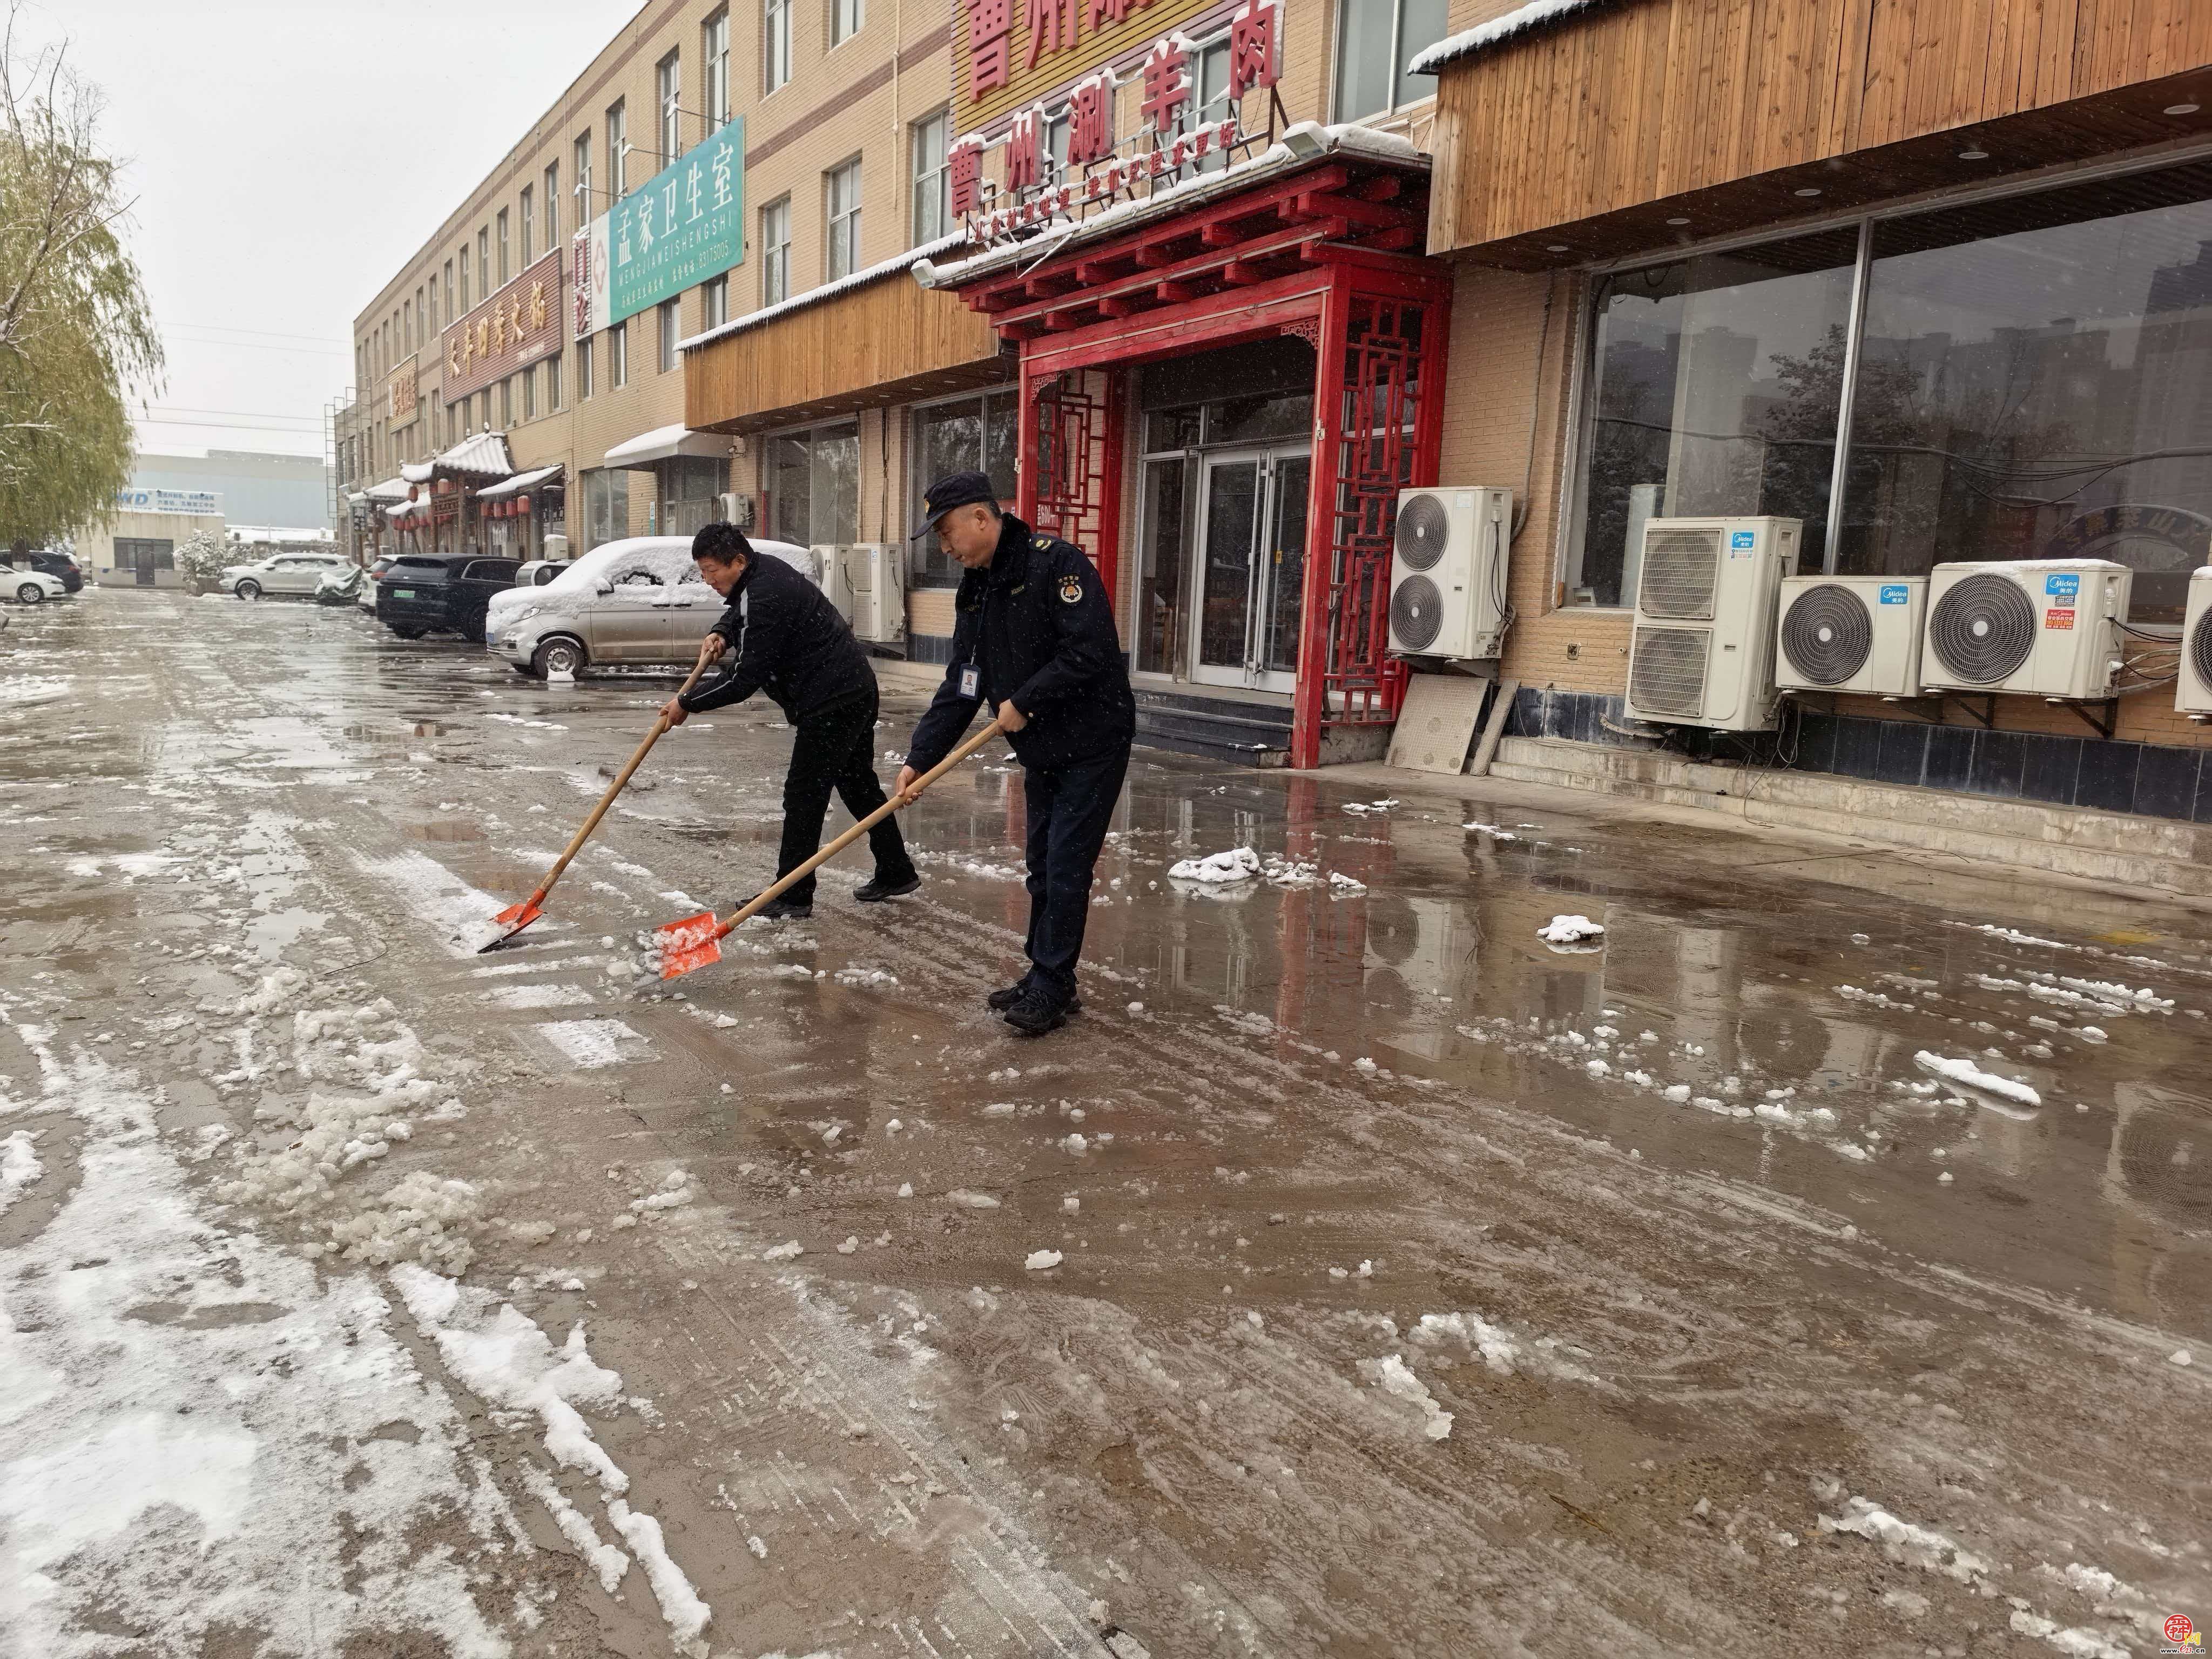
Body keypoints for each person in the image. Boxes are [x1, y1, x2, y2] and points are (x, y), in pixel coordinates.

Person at [898, 472, 1135, 1036]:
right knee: (1040, 865)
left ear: (982, 518)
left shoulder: (1055, 565)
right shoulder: (977, 586)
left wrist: (1025, 700)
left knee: (1065, 864)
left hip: (1092, 740)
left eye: (947, 532)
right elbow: (964, 680)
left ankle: (1052, 983)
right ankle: (1044, 973)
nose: (945, 547)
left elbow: (1091, 651)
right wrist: (922, 755)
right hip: (1041, 747)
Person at [660, 522, 918, 920]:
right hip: (852, 688)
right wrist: (722, 632)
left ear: (739, 561)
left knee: (804, 795)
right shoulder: (763, 573)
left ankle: (794, 894)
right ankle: (896, 870)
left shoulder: (764, 594)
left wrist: (687, 702)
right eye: (703, 572)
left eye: (713, 570)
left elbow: (745, 679)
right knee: (858, 785)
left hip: (832, 700)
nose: (709, 580)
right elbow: (739, 611)